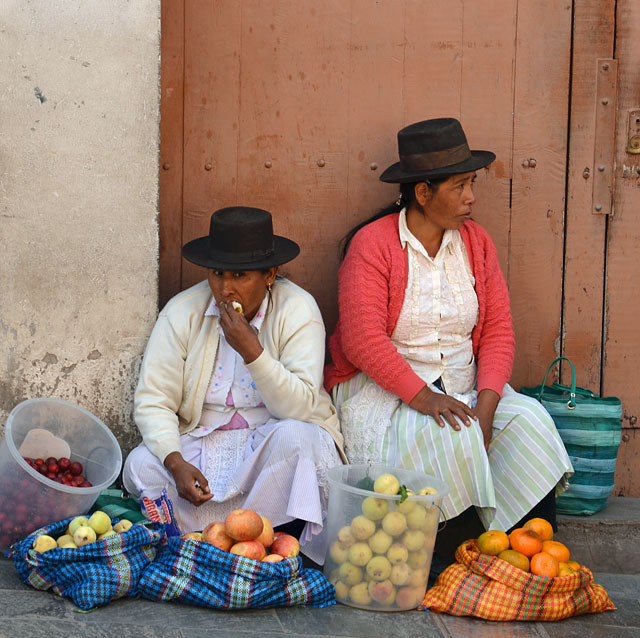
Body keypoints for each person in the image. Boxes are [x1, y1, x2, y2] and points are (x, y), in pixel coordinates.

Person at [324, 118, 573, 562]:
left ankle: (529, 555)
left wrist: (487, 407)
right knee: (453, 435)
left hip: (464, 385)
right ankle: (448, 560)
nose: (471, 197)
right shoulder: (374, 246)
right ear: (423, 193)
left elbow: (498, 329)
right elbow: (363, 342)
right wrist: (425, 398)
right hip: (390, 391)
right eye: (459, 187)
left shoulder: (475, 243)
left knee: (531, 421)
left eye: (471, 183)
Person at [123, 206, 345, 564]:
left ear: (270, 274)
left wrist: (252, 351)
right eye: (217, 273)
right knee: (140, 464)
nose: (225, 288)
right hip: (201, 441)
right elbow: (153, 400)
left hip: (269, 441)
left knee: (303, 441)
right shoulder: (183, 312)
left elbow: (301, 407)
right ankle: (216, 538)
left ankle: (262, 536)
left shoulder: (299, 310)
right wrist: (175, 461)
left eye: (240, 275)